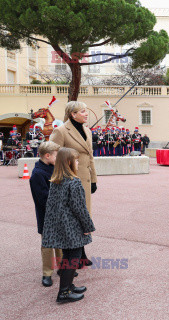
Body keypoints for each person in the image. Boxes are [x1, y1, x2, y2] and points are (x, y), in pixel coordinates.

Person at [42, 147, 95, 303]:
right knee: (73, 258)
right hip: (71, 227)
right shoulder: (74, 182)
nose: (78, 163)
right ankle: (64, 292)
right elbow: (80, 208)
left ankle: (69, 286)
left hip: (60, 226)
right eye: (77, 160)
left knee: (67, 257)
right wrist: (88, 227)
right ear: (69, 163)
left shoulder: (56, 180)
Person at [50, 101, 98, 266]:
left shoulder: (87, 130)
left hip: (84, 179)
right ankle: (70, 259)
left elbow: (90, 157)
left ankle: (82, 253)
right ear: (73, 114)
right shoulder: (61, 131)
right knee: (72, 218)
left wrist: (93, 179)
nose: (86, 114)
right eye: (83, 111)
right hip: (68, 181)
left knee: (84, 215)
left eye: (86, 111)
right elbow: (53, 156)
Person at [29, 141, 62, 287]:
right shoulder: (37, 174)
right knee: (48, 245)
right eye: (57, 156)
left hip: (60, 212)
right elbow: (43, 199)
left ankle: (62, 268)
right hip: (47, 215)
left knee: (61, 242)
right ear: (47, 156)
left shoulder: (54, 167)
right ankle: (47, 273)